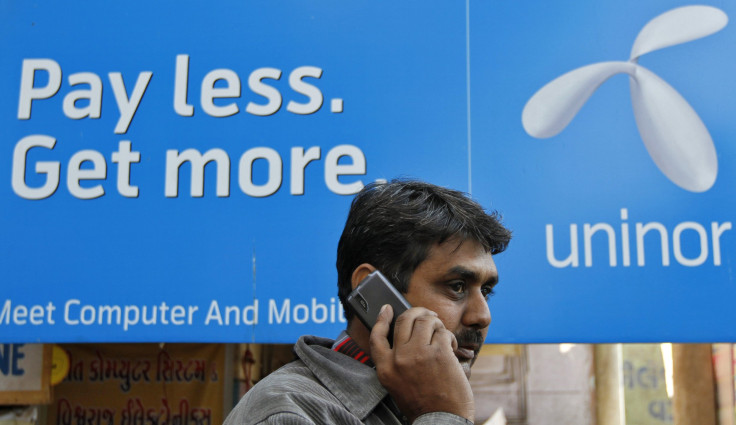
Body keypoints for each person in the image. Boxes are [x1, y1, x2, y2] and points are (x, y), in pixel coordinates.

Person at [224, 179, 512, 425]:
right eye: (457, 286)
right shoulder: (286, 413)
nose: (482, 315)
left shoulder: (412, 404)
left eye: (486, 291)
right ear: (371, 290)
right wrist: (443, 415)